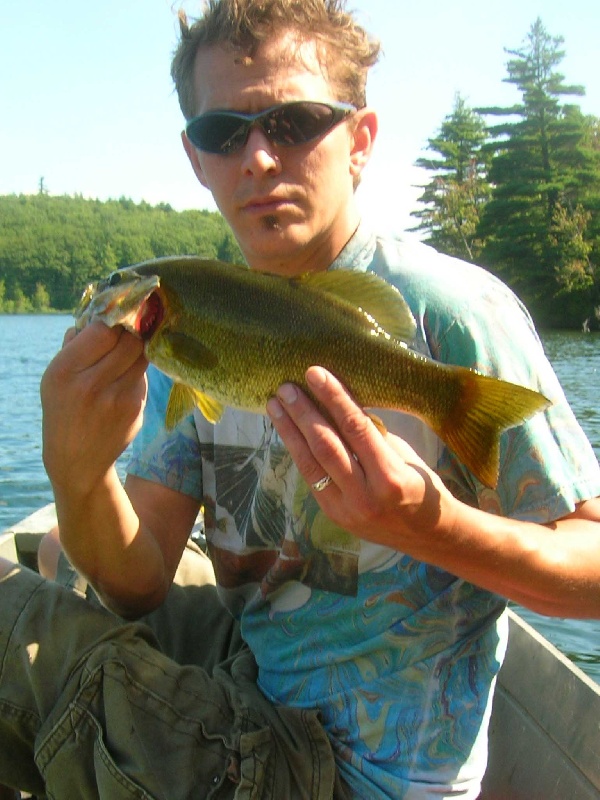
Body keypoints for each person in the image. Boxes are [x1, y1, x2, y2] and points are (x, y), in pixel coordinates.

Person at [1, 0, 600, 797]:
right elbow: (137, 581)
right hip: (254, 685)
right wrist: (77, 473)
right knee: (52, 553)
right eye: (225, 132)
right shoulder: (185, 321)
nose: (256, 158)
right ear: (195, 157)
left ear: (360, 141)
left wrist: (432, 527)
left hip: (351, 775)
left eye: (293, 122)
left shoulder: (452, 315)